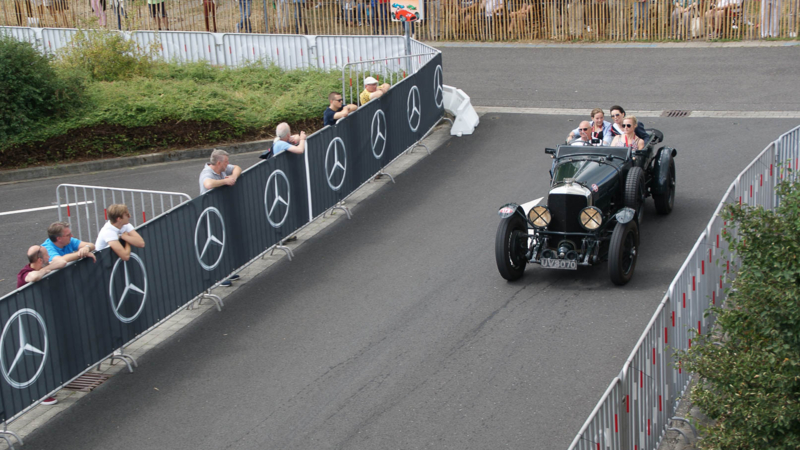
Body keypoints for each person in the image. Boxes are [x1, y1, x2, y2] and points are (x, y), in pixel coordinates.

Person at [16, 245, 75, 406]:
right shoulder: (24, 273)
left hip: (43, 319)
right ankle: (42, 393)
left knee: (52, 352)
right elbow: (32, 278)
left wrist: (46, 268)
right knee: (38, 358)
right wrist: (45, 271)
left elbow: (61, 262)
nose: (50, 257)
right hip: (30, 324)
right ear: (40, 259)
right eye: (47, 255)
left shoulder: (43, 265)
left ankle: (55, 384)